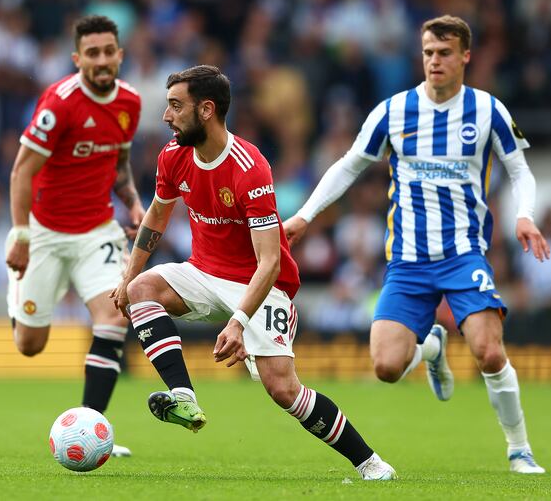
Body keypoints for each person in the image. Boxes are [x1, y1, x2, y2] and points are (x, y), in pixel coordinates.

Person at [284, 15, 550, 475]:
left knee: (489, 351)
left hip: (463, 253)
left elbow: (519, 170)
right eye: (428, 52)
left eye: (444, 53)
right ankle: (431, 348)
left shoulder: (488, 111)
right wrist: (306, 215)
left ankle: (519, 448)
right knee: (386, 368)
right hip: (406, 261)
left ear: (465, 56)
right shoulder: (393, 111)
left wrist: (524, 215)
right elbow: (350, 165)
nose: (434, 61)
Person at [112, 65, 397, 481]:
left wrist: (238, 322)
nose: (166, 116)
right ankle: (183, 396)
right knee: (142, 288)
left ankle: (371, 463)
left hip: (260, 286)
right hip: (203, 273)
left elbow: (271, 263)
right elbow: (156, 215)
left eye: (176, 105)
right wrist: (127, 276)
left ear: (206, 110)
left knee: (283, 390)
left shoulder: (250, 168)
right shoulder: (173, 155)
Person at [5, 15, 143, 457]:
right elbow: (22, 169)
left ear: (119, 55)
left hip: (97, 231)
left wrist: (135, 204)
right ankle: (19, 294)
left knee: (115, 318)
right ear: (77, 58)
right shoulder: (59, 103)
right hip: (45, 233)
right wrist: (21, 234)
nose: (102, 60)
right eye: (93, 53)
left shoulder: (131, 102)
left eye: (108, 51)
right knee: (30, 345)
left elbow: (118, 165)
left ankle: (93, 427)